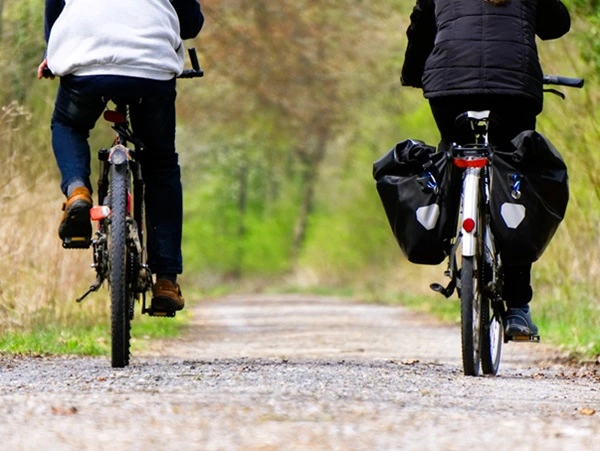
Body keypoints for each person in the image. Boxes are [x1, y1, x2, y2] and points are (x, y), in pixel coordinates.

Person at [400, 0, 571, 338]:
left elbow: (420, 28)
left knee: (453, 155)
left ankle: (452, 230)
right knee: (515, 179)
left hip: (449, 88)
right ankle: (518, 308)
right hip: (514, 90)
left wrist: (413, 73)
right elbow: (556, 25)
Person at [38, 0, 204, 314]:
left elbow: (55, 8)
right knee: (160, 162)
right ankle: (166, 280)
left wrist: (52, 53)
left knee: (68, 124)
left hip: (85, 62)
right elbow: (190, 24)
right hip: (150, 70)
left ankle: (77, 190)